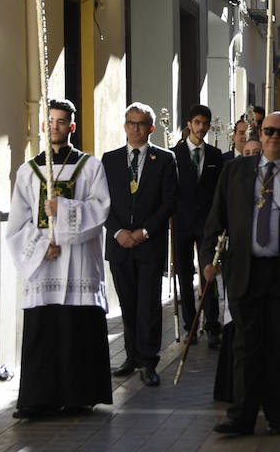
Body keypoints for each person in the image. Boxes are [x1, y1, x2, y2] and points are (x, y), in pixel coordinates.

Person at [201, 112, 280, 436]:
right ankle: (241, 416)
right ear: (260, 132)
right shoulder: (235, 171)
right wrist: (208, 260)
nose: (273, 137)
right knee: (246, 347)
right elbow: (217, 220)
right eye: (268, 131)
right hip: (246, 271)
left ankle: (275, 414)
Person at [7, 99, 112, 419]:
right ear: (43, 125)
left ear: (72, 126)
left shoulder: (91, 167)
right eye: (50, 121)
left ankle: (79, 396)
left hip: (79, 260)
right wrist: (42, 246)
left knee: (77, 330)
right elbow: (17, 223)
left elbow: (101, 208)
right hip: (46, 266)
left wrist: (62, 212)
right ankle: (37, 398)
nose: (55, 126)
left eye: (62, 121)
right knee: (44, 330)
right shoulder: (28, 172)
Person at [102, 103, 177, 387]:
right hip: (119, 244)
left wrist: (144, 231)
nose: (136, 128)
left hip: (149, 244)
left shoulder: (165, 159)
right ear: (124, 126)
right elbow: (101, 201)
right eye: (131, 123)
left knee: (148, 305)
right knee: (127, 304)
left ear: (151, 128)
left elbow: (169, 201)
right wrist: (118, 231)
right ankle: (131, 356)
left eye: (142, 124)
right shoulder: (109, 160)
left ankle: (148, 362)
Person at [170, 104, 224, 347]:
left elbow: (218, 192)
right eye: (197, 123)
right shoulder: (173, 155)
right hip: (181, 223)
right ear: (189, 124)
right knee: (183, 274)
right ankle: (190, 323)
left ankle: (213, 324)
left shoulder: (215, 155)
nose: (201, 128)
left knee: (208, 274)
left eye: (205, 123)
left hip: (206, 225)